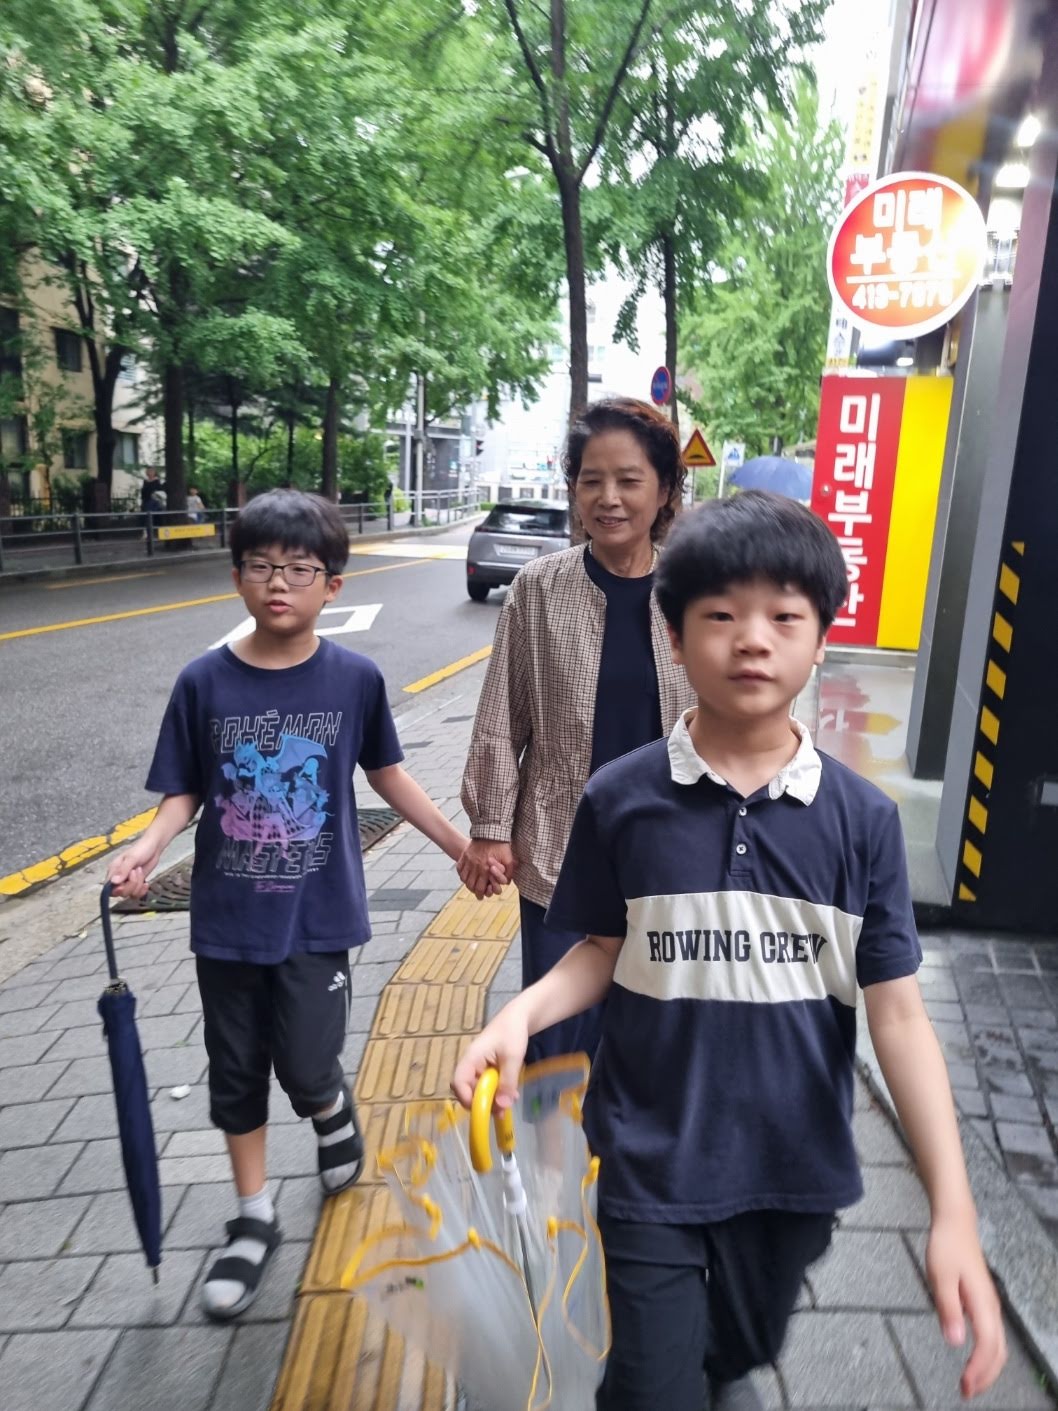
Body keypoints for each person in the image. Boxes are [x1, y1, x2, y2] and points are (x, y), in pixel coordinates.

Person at [453, 490, 1007, 1411]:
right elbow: (602, 948)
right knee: (652, 1384)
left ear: (821, 639)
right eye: (720, 615)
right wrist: (519, 1015)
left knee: (738, 1349)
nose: (752, 639)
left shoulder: (863, 821)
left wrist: (953, 1208)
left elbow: (900, 1017)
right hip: (648, 1153)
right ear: (674, 637)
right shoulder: (621, 798)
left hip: (792, 1172)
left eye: (784, 616)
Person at [107, 489, 501, 1323]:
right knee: (236, 1073)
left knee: (308, 1065)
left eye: (298, 568)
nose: (277, 582)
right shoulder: (203, 681)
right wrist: (146, 848)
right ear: (236, 577)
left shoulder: (353, 678)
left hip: (317, 918)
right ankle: (252, 1216)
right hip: (226, 921)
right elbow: (184, 792)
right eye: (259, 566)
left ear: (333, 584)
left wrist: (458, 845)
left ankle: (329, 1107)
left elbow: (387, 774)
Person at [458, 398, 696, 1061]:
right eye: (591, 480)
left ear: (665, 490)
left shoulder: (695, 592)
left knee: (657, 1039)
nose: (608, 498)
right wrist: (490, 826)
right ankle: (551, 1131)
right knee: (557, 1044)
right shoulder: (538, 589)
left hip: (671, 851)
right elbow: (501, 716)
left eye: (629, 480)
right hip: (562, 851)